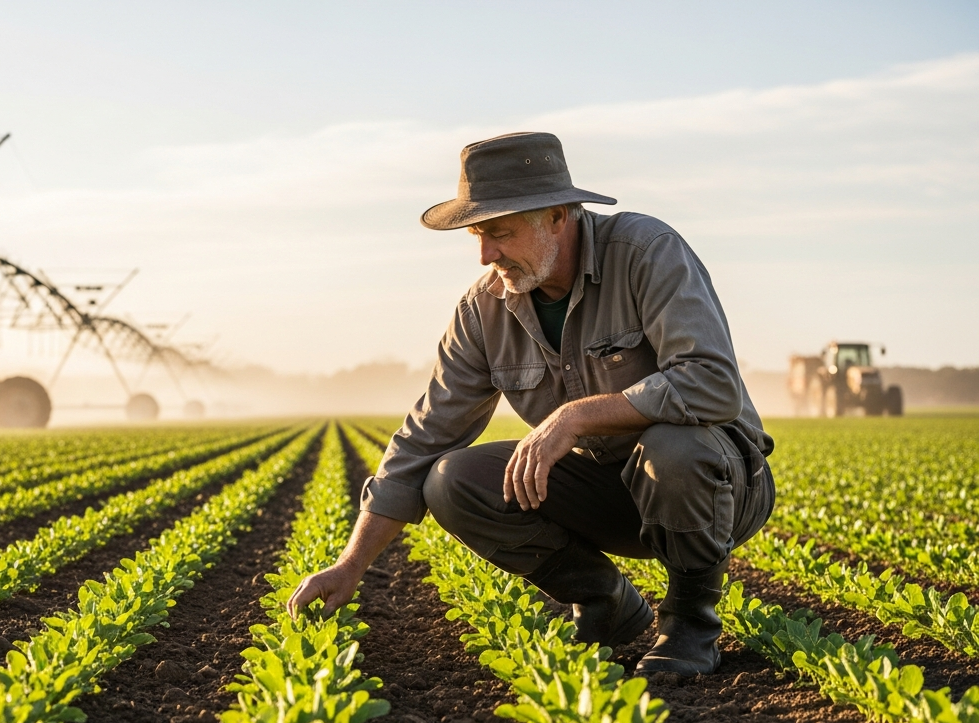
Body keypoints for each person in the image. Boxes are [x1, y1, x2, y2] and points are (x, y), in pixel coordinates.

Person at [287, 131, 774, 675]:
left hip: (718, 488)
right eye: (477, 234)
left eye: (500, 232)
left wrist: (577, 415)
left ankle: (690, 623)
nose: (484, 254)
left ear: (559, 216)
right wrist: (352, 565)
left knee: (673, 445)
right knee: (451, 478)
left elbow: (711, 382)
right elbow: (428, 434)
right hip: (610, 494)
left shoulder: (646, 253)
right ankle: (604, 600)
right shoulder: (484, 309)